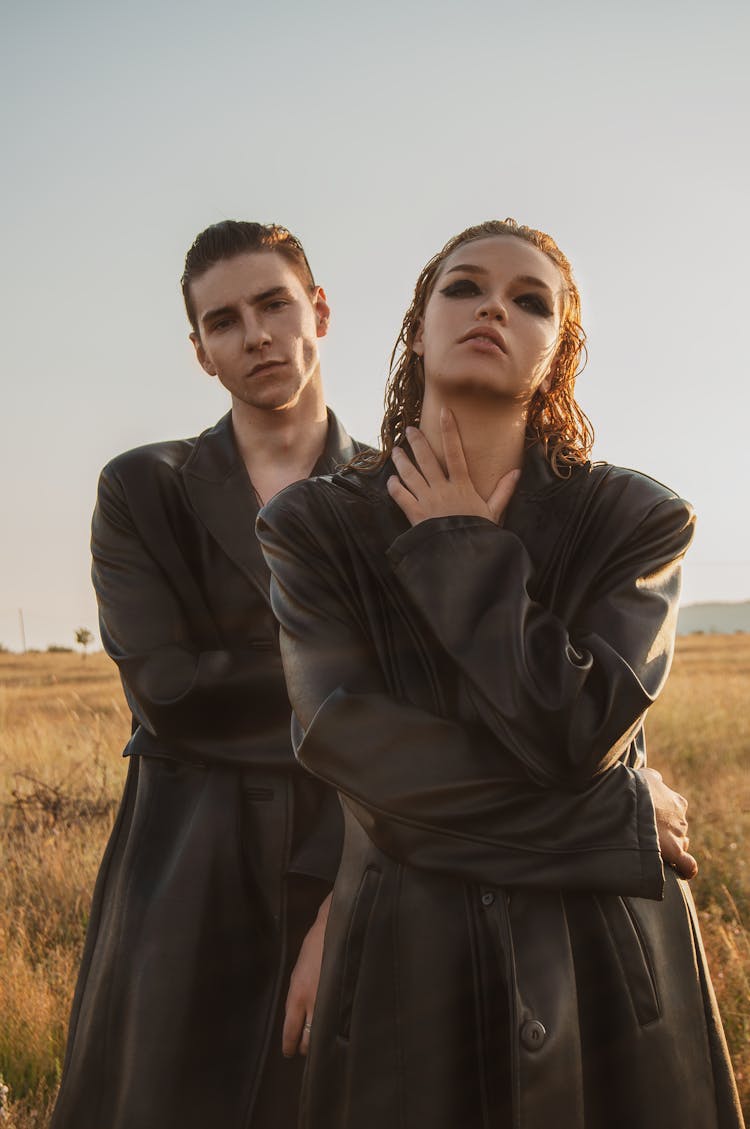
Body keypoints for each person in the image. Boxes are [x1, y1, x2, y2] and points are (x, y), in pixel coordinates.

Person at [257, 219, 744, 1129]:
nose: (494, 306)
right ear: (418, 324)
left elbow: (577, 730)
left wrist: (461, 551)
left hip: (608, 968)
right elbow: (349, 741)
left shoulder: (637, 518)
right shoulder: (312, 528)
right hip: (404, 959)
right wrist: (619, 816)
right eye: (464, 287)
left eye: (531, 300)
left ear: (559, 351)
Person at [50, 221, 367, 1129]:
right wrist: (363, 686)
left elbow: (449, 682)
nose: (256, 333)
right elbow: (172, 691)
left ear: (320, 310)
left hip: (338, 864)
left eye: (274, 303)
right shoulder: (144, 488)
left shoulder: (394, 494)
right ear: (201, 353)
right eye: (224, 321)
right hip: (184, 871)